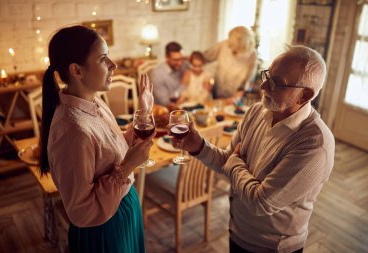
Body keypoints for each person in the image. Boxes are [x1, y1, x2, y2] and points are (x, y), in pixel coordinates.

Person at [172, 45, 335, 253]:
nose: (264, 86)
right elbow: (226, 162)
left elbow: (261, 202)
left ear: (305, 96)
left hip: (273, 247)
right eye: (268, 75)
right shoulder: (258, 111)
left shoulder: (315, 144)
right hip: (238, 232)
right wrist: (199, 146)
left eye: (277, 83)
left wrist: (234, 163)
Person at [39, 25, 154, 253]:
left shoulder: (95, 102)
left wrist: (142, 112)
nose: (113, 65)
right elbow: (82, 211)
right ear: (77, 71)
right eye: (103, 59)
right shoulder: (72, 131)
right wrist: (129, 165)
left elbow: (109, 149)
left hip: (123, 211)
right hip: (104, 230)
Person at [204, 26, 257, 101]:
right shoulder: (224, 44)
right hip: (217, 92)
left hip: (235, 98)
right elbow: (204, 57)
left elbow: (248, 81)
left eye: (232, 44)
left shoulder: (252, 55)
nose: (228, 45)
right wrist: (206, 78)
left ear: (241, 44)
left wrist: (237, 96)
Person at [151, 41, 189, 106]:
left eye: (181, 59)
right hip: (165, 111)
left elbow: (197, 65)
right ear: (166, 58)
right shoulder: (157, 75)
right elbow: (166, 103)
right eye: (175, 60)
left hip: (184, 106)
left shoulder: (184, 65)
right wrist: (183, 84)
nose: (180, 63)